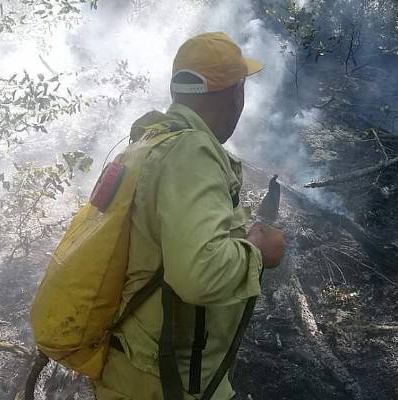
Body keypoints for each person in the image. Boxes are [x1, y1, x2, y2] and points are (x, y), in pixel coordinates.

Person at [93, 32, 286, 400]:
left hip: (134, 367)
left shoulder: (150, 142)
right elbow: (200, 275)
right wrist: (259, 251)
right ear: (234, 94)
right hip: (167, 381)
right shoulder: (191, 152)